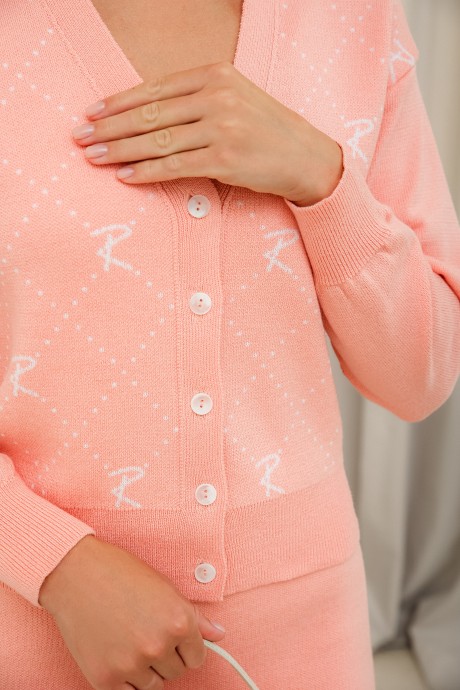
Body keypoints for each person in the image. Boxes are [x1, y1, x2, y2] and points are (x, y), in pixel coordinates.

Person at [1, 0, 459, 688]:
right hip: (30, 628)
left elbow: (420, 377)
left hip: (305, 639)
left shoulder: (356, 21)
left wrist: (322, 177)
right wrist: (51, 561)